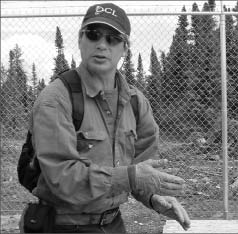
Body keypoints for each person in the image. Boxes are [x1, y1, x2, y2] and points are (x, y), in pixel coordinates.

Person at [20, 2, 190, 233]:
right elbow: (62, 177)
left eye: (112, 38)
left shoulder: (136, 102)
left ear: (125, 48)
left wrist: (153, 198)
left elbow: (140, 168)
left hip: (112, 224)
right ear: (80, 40)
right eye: (93, 35)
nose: (102, 44)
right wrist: (130, 178)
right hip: (59, 225)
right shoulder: (56, 99)